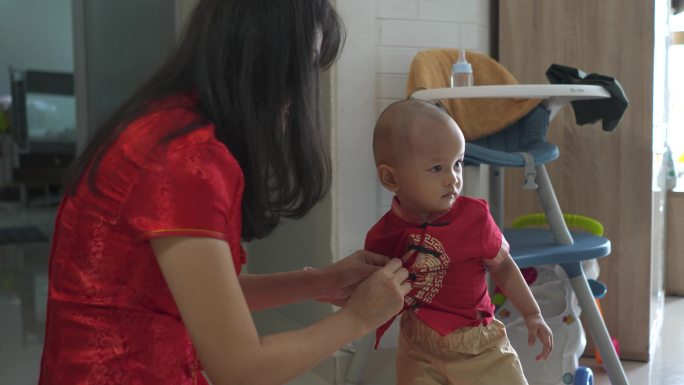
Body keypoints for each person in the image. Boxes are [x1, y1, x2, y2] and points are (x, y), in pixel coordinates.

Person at [37, 1, 412, 384]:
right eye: (304, 68)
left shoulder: (163, 125)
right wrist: (358, 319)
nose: (302, 92)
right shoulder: (187, 159)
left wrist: (319, 282)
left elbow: (203, 296)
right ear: (265, 60)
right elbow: (240, 368)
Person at [366, 99, 553, 385]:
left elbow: (502, 266)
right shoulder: (384, 235)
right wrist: (333, 288)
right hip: (418, 346)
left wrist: (532, 312)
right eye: (437, 168)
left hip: (478, 346)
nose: (452, 178)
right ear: (391, 178)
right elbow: (370, 287)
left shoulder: (474, 218)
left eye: (458, 164)